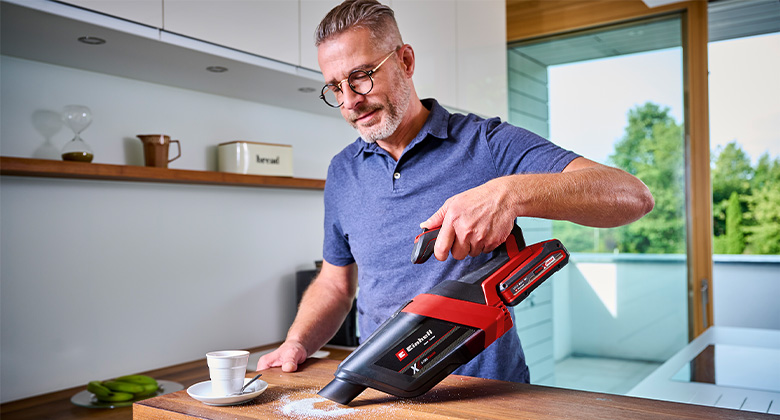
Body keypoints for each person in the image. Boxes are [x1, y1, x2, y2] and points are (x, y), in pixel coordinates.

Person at [258, 0, 653, 383]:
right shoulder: (342, 171)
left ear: (405, 61)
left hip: (492, 396)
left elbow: (631, 196)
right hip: (379, 393)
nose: (350, 102)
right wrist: (296, 342)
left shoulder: (485, 143)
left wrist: (507, 194)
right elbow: (335, 283)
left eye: (361, 76)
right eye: (335, 87)